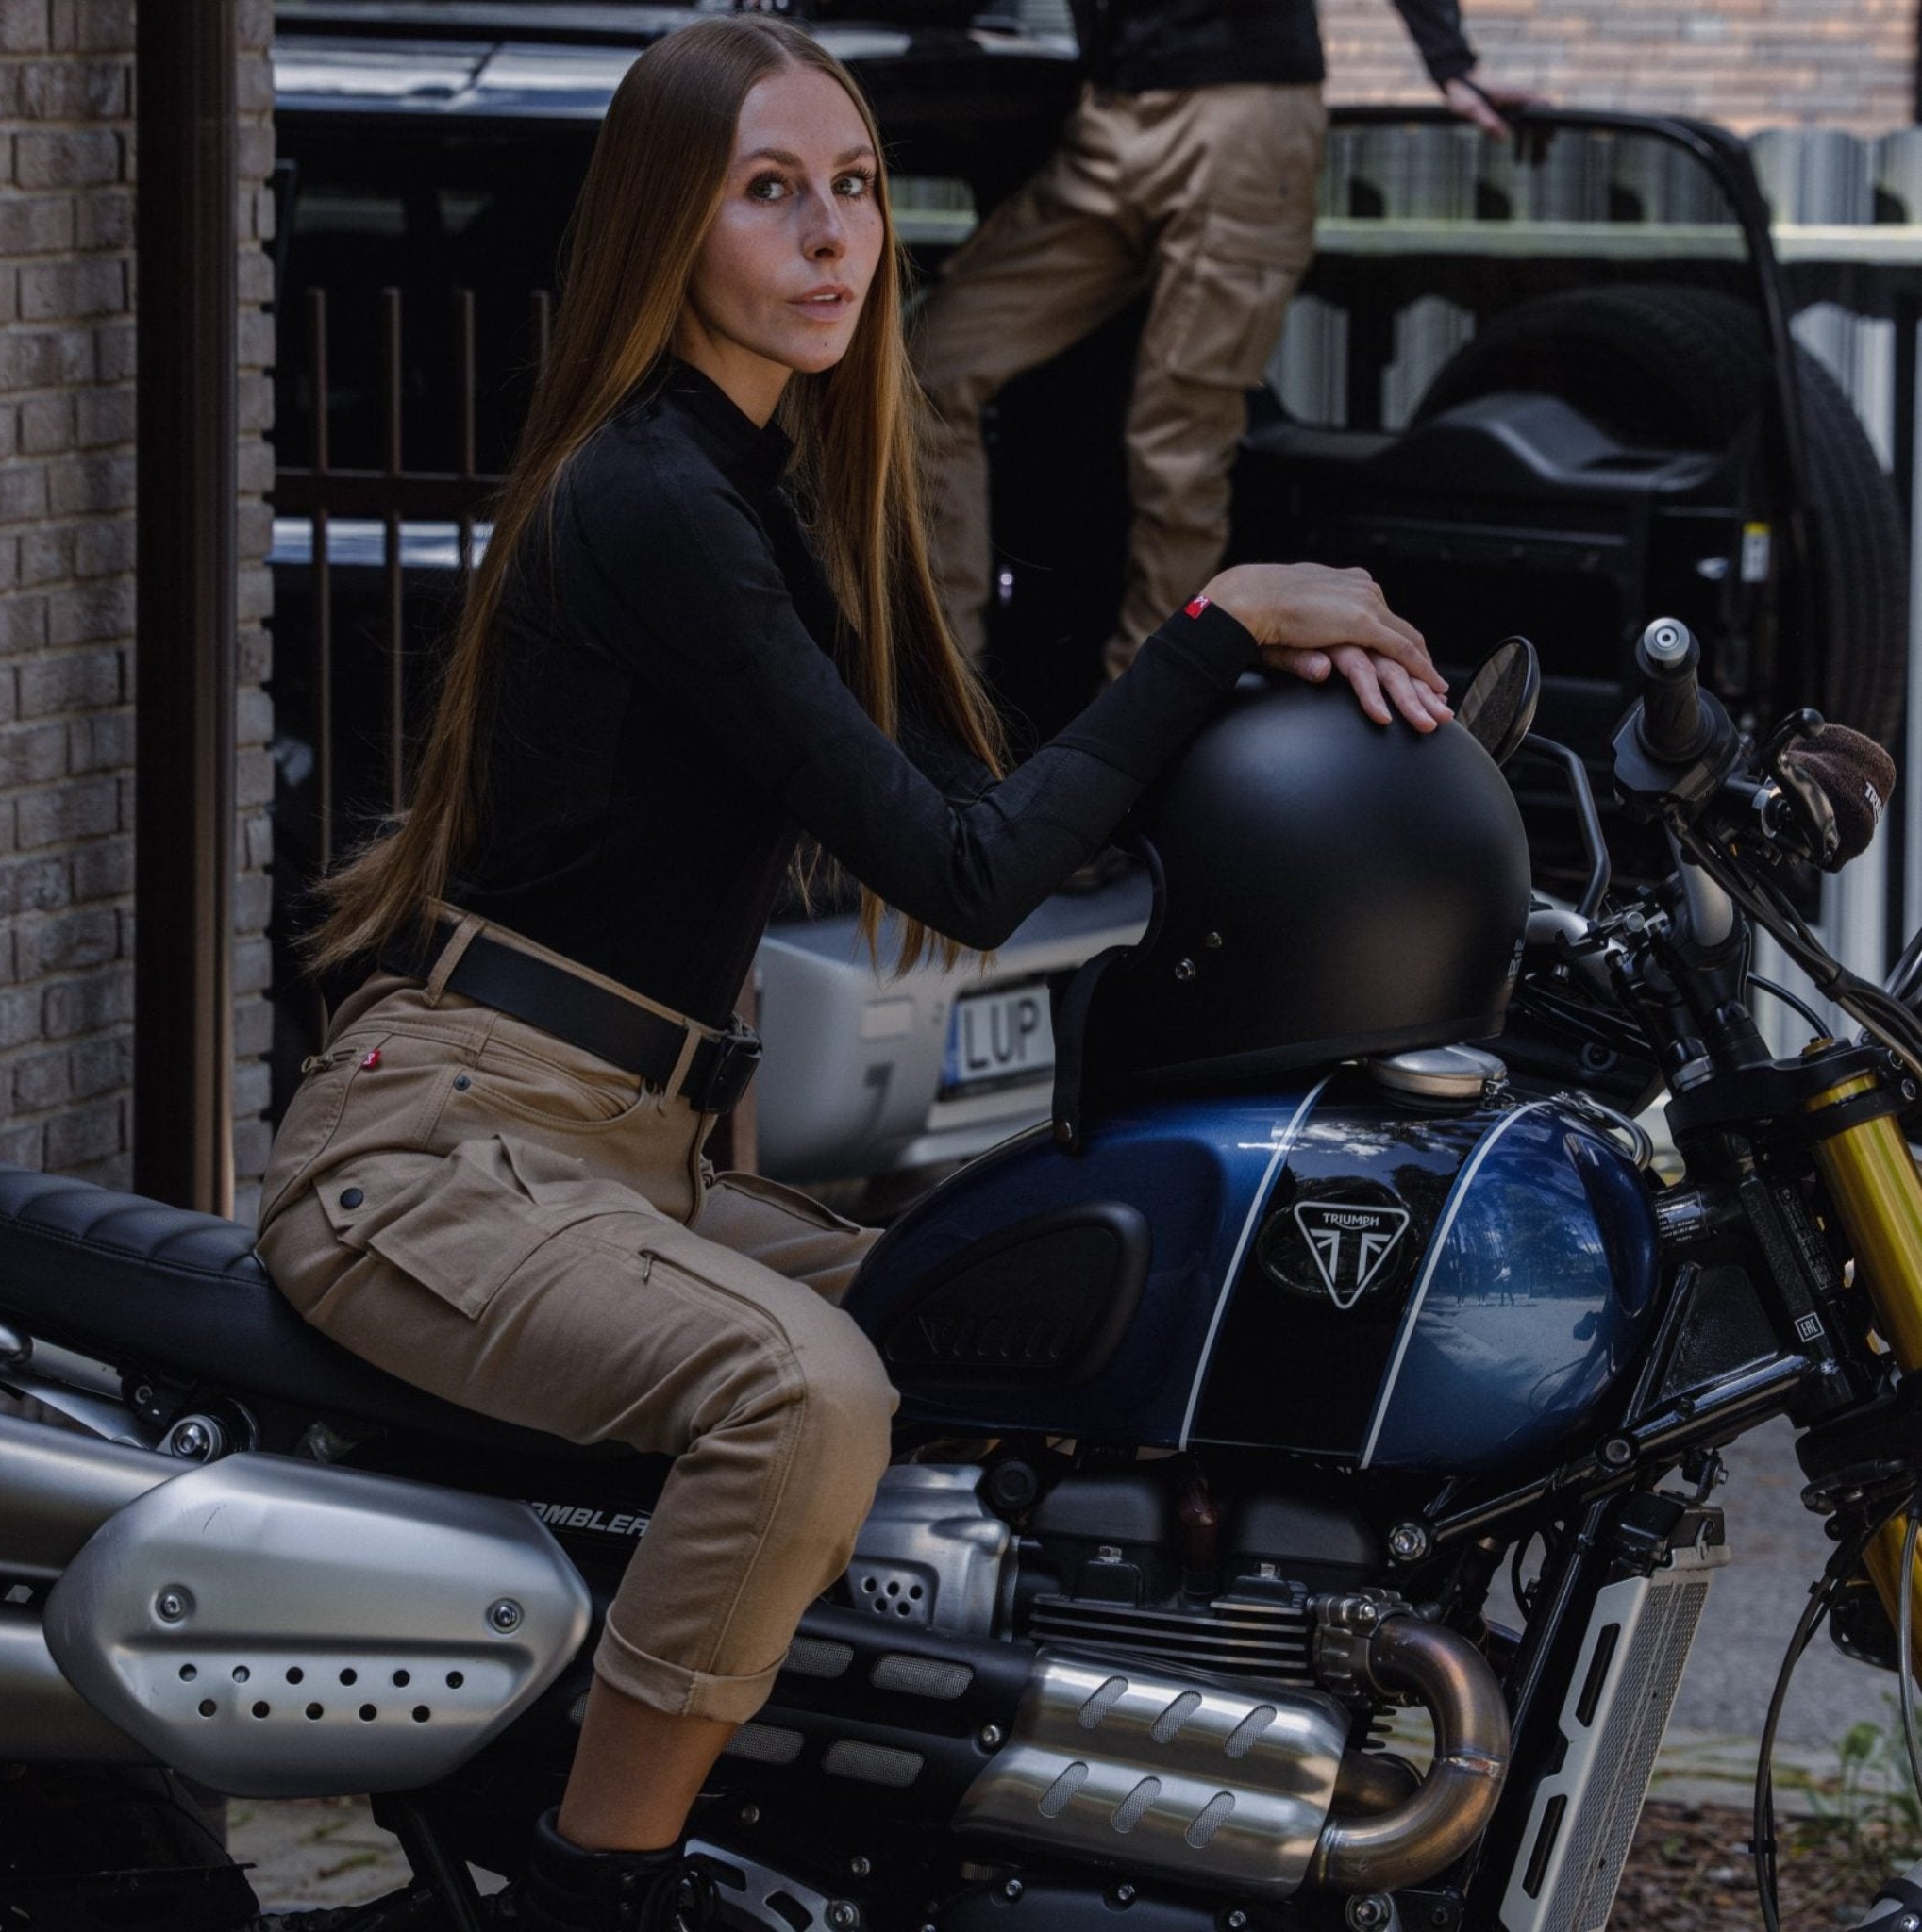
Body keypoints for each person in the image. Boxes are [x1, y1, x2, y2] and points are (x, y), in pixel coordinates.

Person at [255, 19, 1450, 1932]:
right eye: (770, 191)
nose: (832, 240)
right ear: (672, 226)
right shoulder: (652, 500)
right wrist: (1219, 627)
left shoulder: (752, 494)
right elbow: (963, 873)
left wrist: (1269, 773)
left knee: (1015, 1310)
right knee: (801, 1394)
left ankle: (923, 1814)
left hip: (624, 1155)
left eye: (859, 191)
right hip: (442, 1148)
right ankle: (598, 1885)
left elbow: (995, 815)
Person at [913, 0, 1537, 678]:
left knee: (1177, 451)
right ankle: (946, 692)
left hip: (1245, 112)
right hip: (1111, 113)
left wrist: (1449, 61)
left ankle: (1134, 731)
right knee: (929, 364)